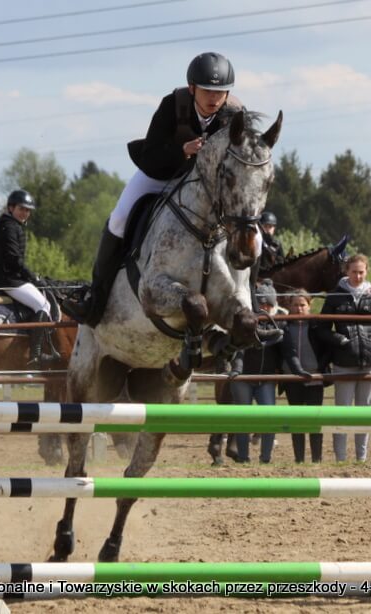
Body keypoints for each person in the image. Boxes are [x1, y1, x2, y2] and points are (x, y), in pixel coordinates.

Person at [63, 51, 242, 327]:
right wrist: (182, 151)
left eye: (220, 92)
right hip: (162, 173)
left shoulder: (233, 115)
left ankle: (248, 303)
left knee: (249, 228)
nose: (214, 99)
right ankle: (95, 298)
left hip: (205, 188)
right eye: (207, 90)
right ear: (192, 88)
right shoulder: (173, 105)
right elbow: (150, 155)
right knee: (119, 219)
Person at [313, 254, 371, 462]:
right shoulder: (334, 297)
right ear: (346, 271)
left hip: (369, 362)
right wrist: (340, 340)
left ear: (366, 272)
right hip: (343, 362)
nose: (358, 275)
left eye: (361, 272)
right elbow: (322, 328)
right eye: (354, 271)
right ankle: (340, 458)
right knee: (343, 413)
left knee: (364, 413)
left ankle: (361, 458)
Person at [0, 189, 59, 366]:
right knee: (43, 305)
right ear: (11, 207)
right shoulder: (9, 227)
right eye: (22, 209)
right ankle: (35, 354)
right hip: (5, 278)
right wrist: (34, 277)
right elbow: (14, 260)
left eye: (28, 210)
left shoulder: (7, 224)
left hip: (4, 275)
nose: (25, 213)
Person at [230, 280, 284, 464]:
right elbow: (239, 350)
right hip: (244, 378)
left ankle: (266, 458)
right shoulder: (246, 323)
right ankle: (243, 458)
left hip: (266, 379)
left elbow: (285, 353)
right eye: (262, 303)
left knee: (270, 419)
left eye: (269, 304)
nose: (265, 307)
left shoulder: (279, 324)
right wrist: (236, 370)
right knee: (243, 420)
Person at [280, 288, 324, 463]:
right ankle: (299, 459)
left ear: (309, 306)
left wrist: (320, 368)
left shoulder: (317, 325)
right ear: (290, 306)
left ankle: (317, 459)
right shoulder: (284, 326)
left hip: (314, 378)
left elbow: (326, 349)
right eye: (296, 305)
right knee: (297, 421)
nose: (299, 308)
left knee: (314, 420)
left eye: (302, 305)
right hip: (292, 379)